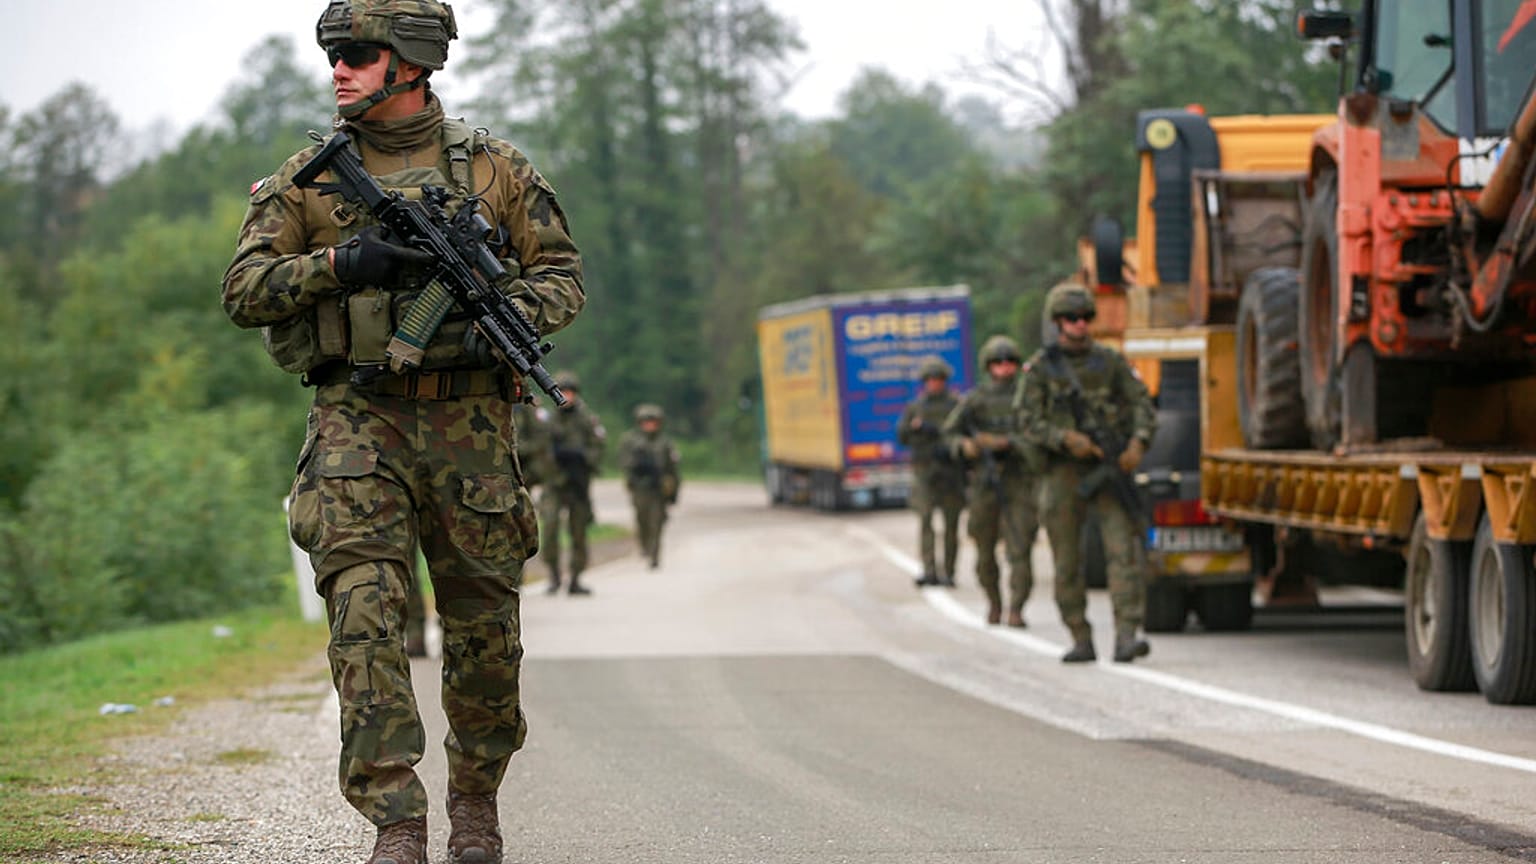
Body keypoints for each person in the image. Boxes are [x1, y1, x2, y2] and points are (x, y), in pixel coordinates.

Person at [220, 1, 584, 861]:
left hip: (470, 424)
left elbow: (563, 279)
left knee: (485, 634)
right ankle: (397, 820)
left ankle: (475, 809)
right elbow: (244, 291)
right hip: (356, 423)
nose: (339, 68)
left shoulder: (495, 169)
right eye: (334, 55)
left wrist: (491, 315)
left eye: (357, 53)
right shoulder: (309, 176)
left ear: (412, 61)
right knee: (365, 614)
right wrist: (343, 263)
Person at [1015, 283, 1156, 664]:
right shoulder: (1041, 369)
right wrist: (1064, 439)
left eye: (1085, 319)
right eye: (1071, 319)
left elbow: (1141, 401)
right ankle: (1080, 635)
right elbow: (1026, 421)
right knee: (1067, 559)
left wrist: (1138, 444)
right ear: (1058, 322)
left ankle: (1127, 634)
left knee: (1122, 553)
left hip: (1109, 470)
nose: (1080, 325)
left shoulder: (1110, 362)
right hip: (1063, 473)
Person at [941, 336, 1043, 627]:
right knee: (984, 549)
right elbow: (950, 434)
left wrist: (1007, 443)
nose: (1004, 368)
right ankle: (994, 603)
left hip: (1020, 480)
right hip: (985, 482)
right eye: (998, 362)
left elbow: (1041, 433)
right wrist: (967, 446)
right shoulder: (976, 400)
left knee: (1020, 548)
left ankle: (1017, 608)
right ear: (989, 366)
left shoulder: (1029, 398)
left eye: (1010, 361)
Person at [896, 358, 966, 587]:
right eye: (930, 380)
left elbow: (965, 433)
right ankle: (929, 569)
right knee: (926, 521)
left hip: (950, 472)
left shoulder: (956, 405)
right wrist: (915, 428)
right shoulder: (916, 407)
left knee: (951, 524)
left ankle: (949, 571)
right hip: (925, 471)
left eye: (938, 379)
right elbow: (902, 435)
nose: (934, 384)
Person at [540, 370, 606, 595]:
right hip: (554, 483)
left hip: (578, 484)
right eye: (562, 392)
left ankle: (576, 577)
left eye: (570, 392)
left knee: (578, 531)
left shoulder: (587, 420)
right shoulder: (547, 420)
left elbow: (598, 448)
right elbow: (537, 449)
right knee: (549, 529)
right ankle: (554, 576)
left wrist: (581, 457)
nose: (566, 396)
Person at [618, 403, 681, 568]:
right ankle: (645, 546)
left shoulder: (665, 443)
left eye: (653, 422)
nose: (649, 425)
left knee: (657, 521)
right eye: (646, 422)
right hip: (640, 487)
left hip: (658, 489)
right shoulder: (631, 440)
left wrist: (674, 493)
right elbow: (624, 463)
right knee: (642, 519)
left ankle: (654, 554)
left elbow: (673, 469)